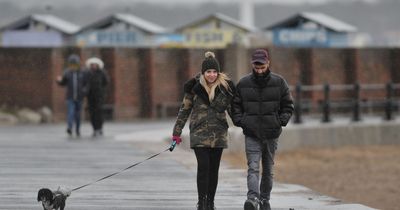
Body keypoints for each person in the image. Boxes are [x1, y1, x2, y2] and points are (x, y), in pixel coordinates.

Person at [171, 51, 235, 210]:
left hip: (218, 133)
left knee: (214, 169)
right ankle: (202, 201)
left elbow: (234, 111)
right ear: (203, 73)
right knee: (204, 167)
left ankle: (210, 202)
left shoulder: (225, 89)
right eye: (208, 72)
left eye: (214, 72)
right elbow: (184, 111)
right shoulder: (193, 89)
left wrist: (247, 125)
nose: (212, 75)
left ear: (218, 73)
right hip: (199, 133)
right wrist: (176, 133)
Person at [232, 49, 294, 210]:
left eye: (262, 67)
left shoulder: (279, 82)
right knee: (253, 167)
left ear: (268, 64)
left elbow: (288, 106)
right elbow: (235, 105)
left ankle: (264, 200)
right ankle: (252, 198)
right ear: (252, 64)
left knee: (268, 170)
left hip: (271, 133)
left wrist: (280, 121)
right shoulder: (244, 83)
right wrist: (241, 121)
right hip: (251, 133)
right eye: (256, 67)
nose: (259, 70)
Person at [56, 54, 88, 137]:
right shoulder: (67, 73)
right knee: (70, 112)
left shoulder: (82, 73)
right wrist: (59, 81)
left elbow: (86, 84)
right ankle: (69, 128)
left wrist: (84, 92)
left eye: (75, 65)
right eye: (71, 65)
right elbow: (63, 83)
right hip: (70, 97)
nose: (73, 67)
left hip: (79, 97)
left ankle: (77, 129)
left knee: (78, 115)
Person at [85, 57, 109, 137]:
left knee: (99, 112)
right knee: (92, 113)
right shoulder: (88, 73)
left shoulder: (102, 73)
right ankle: (95, 128)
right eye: (92, 65)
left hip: (99, 96)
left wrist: (102, 91)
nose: (94, 66)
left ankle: (100, 128)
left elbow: (106, 82)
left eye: (95, 65)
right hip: (90, 96)